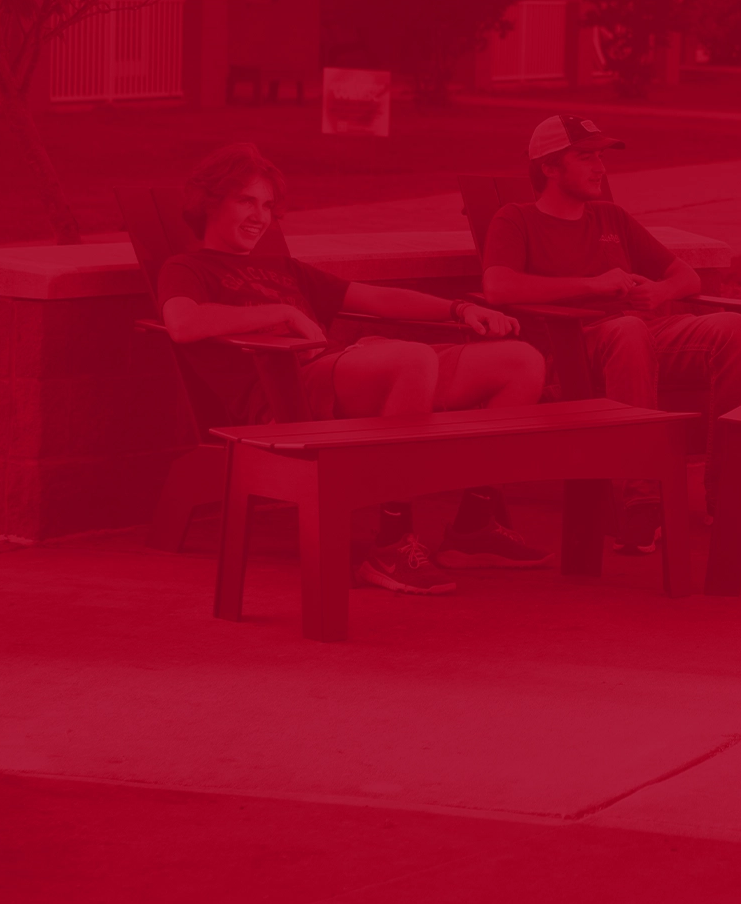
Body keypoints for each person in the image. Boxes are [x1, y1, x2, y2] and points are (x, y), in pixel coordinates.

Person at [159, 143, 550, 595]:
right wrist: (278, 314)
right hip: (286, 392)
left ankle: (475, 526)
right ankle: (390, 543)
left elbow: (375, 298)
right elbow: (182, 323)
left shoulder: (284, 268)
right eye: (246, 200)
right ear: (210, 202)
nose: (260, 216)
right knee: (412, 359)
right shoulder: (187, 267)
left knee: (520, 361)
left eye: (267, 205)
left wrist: (459, 310)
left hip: (346, 369)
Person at [480, 114, 741, 553]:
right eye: (586, 157)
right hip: (572, 350)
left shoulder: (610, 217)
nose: (600, 167)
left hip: (642, 334)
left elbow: (685, 275)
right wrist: (593, 286)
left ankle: (731, 495)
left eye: (601, 157)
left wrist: (660, 292)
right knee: (629, 330)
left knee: (738, 329)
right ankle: (641, 501)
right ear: (549, 168)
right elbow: (499, 286)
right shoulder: (516, 218)